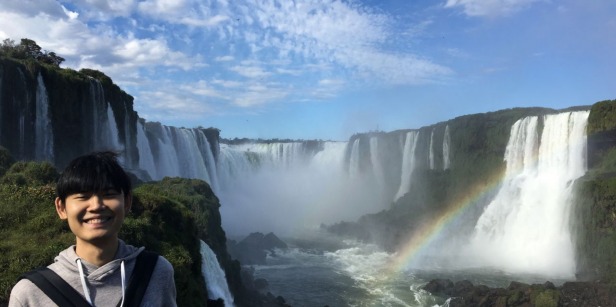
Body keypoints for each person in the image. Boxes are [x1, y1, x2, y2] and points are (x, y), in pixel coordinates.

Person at [9, 151, 177, 306]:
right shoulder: (30, 293)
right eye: (83, 197)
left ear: (127, 202)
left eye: (109, 194)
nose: (96, 206)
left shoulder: (157, 272)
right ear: (61, 208)